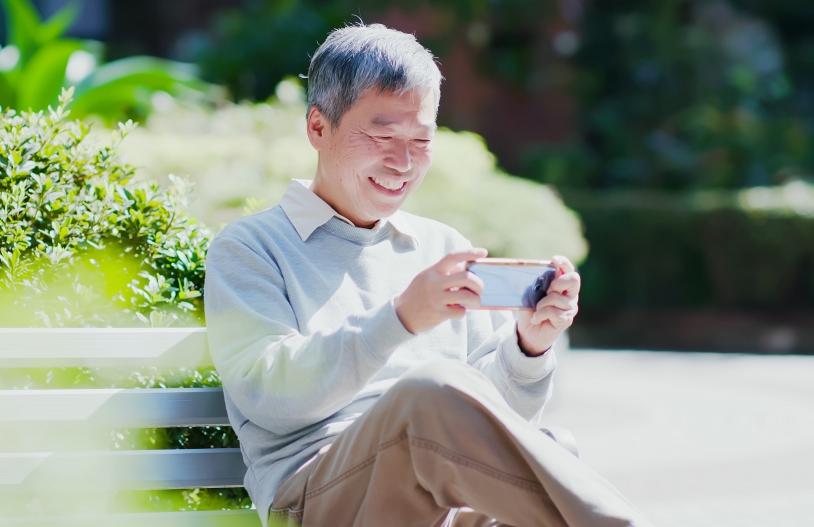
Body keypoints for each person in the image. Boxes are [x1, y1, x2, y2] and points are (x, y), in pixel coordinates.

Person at [204, 23, 653, 527]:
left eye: (421, 139)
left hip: (443, 497)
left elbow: (496, 427)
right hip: (318, 496)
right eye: (382, 136)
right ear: (317, 128)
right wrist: (399, 318)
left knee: (543, 444)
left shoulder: (441, 248)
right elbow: (269, 397)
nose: (403, 162)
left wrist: (528, 347)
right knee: (429, 394)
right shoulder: (249, 249)